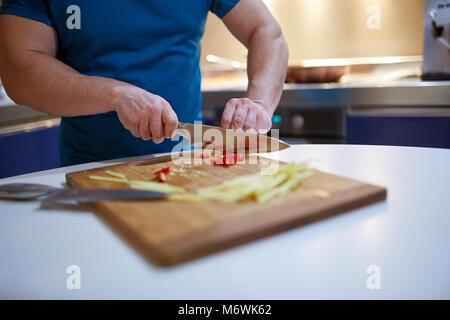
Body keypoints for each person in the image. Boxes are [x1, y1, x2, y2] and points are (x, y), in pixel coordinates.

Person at [0, 0, 288, 166]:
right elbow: (18, 71)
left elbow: (265, 30)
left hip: (184, 164)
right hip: (89, 170)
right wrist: (116, 95)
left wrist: (259, 103)